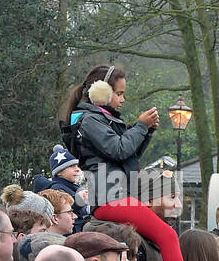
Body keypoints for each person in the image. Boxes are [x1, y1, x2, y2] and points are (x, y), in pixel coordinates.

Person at [60, 64, 158, 209]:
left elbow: (130, 154)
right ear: (101, 93)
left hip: (120, 195)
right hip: (109, 199)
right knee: (166, 233)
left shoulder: (105, 120)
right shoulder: (90, 120)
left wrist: (147, 130)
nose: (123, 99)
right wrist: (141, 126)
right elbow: (119, 150)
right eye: (119, 94)